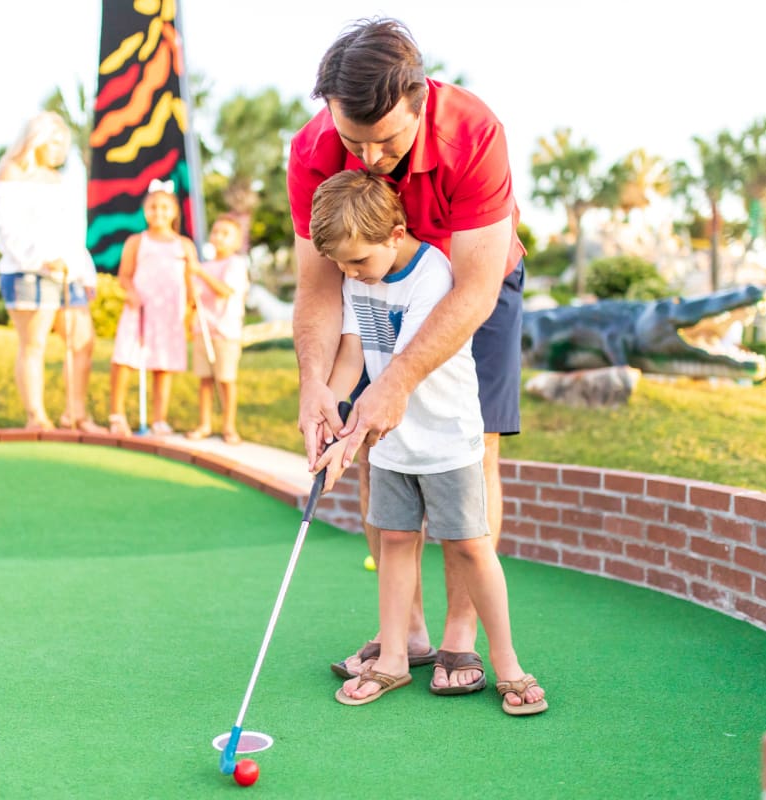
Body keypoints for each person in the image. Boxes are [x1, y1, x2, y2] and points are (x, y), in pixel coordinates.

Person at [288, 17, 528, 695]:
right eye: (352, 141)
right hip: (372, 286)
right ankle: (409, 635)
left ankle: (461, 634)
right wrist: (317, 388)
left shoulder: (473, 132)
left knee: (472, 448)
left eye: (385, 141)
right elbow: (317, 288)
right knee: (372, 443)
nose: (366, 157)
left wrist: (395, 380)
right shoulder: (312, 149)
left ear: (419, 102)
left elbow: (474, 288)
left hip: (475, 288)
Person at [310, 170, 546, 714]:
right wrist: (332, 407)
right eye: (342, 266)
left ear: (394, 234)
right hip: (391, 442)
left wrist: (348, 442)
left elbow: (401, 365)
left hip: (444, 439)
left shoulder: (432, 274)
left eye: (357, 262)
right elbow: (353, 352)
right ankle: (394, 657)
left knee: (468, 545)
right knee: (393, 541)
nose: (351, 274)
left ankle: (507, 661)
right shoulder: (358, 275)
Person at [0, 110, 104, 433]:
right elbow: (8, 228)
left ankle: (76, 414)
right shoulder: (11, 173)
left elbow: (72, 232)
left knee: (82, 341)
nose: (60, 150)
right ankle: (36, 417)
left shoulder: (59, 180)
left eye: (63, 144)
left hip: (69, 273)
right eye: (54, 142)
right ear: (36, 140)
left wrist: (86, 271)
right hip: (28, 272)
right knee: (34, 343)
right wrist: (41, 258)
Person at [108, 188, 198, 436]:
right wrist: (131, 293)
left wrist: (190, 309)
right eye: (153, 207)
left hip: (169, 313)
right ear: (146, 211)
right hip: (139, 309)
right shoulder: (137, 241)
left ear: (174, 212)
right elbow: (124, 276)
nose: (158, 212)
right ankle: (117, 415)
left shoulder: (184, 245)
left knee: (163, 364)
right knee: (125, 358)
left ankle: (159, 419)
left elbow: (191, 279)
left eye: (164, 207)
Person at [185, 213, 249, 445]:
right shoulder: (205, 266)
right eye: (215, 232)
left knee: (226, 380)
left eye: (225, 234)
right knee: (205, 380)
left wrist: (200, 273)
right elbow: (196, 298)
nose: (219, 237)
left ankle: (229, 427)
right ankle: (204, 424)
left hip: (225, 333)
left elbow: (225, 291)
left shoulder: (235, 264)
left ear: (236, 241)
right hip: (203, 331)